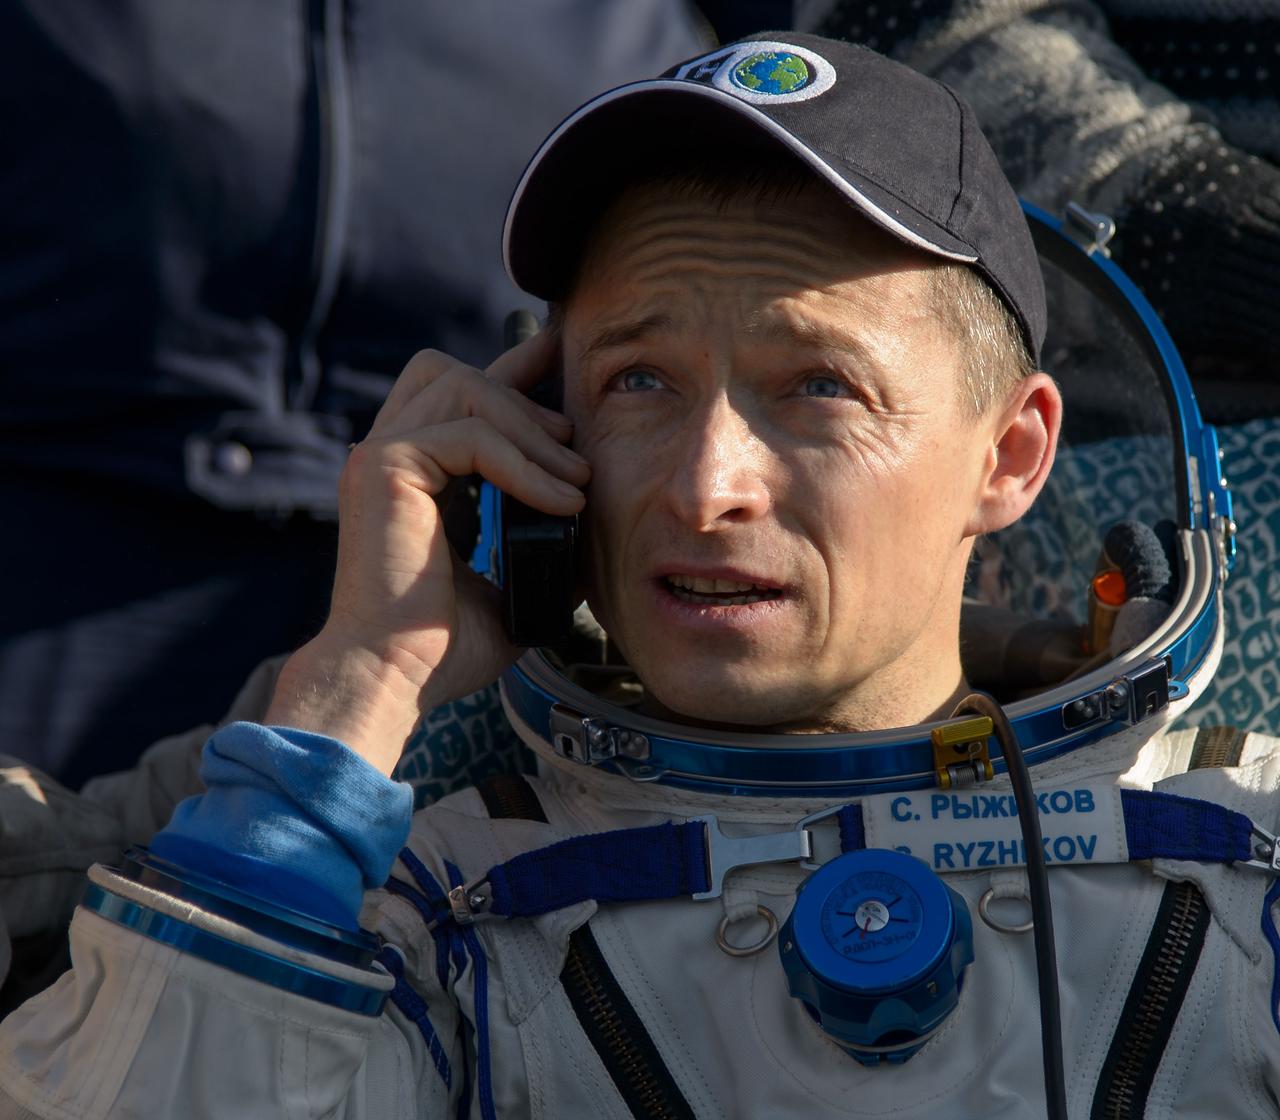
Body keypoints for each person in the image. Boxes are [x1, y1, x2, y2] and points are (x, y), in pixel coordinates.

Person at [1, 33, 1276, 1119]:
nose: (702, 484)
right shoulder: (421, 914)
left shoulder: (1239, 855)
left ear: (1007, 455)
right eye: (637, 383)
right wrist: (362, 677)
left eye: (818, 387)